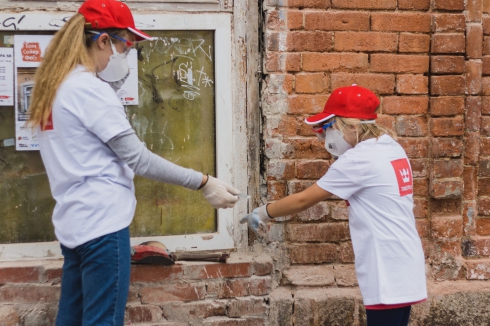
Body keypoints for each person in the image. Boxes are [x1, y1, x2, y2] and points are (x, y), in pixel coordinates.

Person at [27, 0, 239, 324]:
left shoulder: (56, 88)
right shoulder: (89, 90)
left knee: (70, 319)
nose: (124, 55)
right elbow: (138, 159)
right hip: (102, 228)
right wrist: (204, 182)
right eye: (125, 45)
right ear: (102, 40)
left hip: (74, 225)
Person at [240, 84, 427, 326]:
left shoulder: (358, 159)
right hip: (405, 259)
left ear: (350, 126)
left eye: (327, 127)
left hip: (385, 266)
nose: (324, 136)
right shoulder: (390, 147)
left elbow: (303, 199)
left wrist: (263, 212)